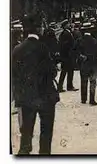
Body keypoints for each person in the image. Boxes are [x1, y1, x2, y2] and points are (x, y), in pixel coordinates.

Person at [12, 13, 60, 155]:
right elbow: (52, 72)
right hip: (45, 96)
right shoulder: (44, 48)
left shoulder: (17, 50)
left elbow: (14, 75)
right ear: (39, 28)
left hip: (27, 97)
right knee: (46, 133)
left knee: (26, 133)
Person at [77, 23, 97, 105]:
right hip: (93, 63)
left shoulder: (80, 40)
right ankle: (92, 99)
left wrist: (81, 57)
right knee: (93, 82)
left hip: (84, 63)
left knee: (83, 81)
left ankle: (83, 99)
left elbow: (76, 51)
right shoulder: (94, 41)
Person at [58, 20, 78, 92]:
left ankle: (67, 86)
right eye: (68, 24)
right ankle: (64, 86)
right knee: (66, 72)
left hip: (67, 56)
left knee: (68, 71)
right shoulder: (65, 33)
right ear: (65, 25)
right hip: (67, 56)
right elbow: (63, 45)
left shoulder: (67, 32)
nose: (69, 25)